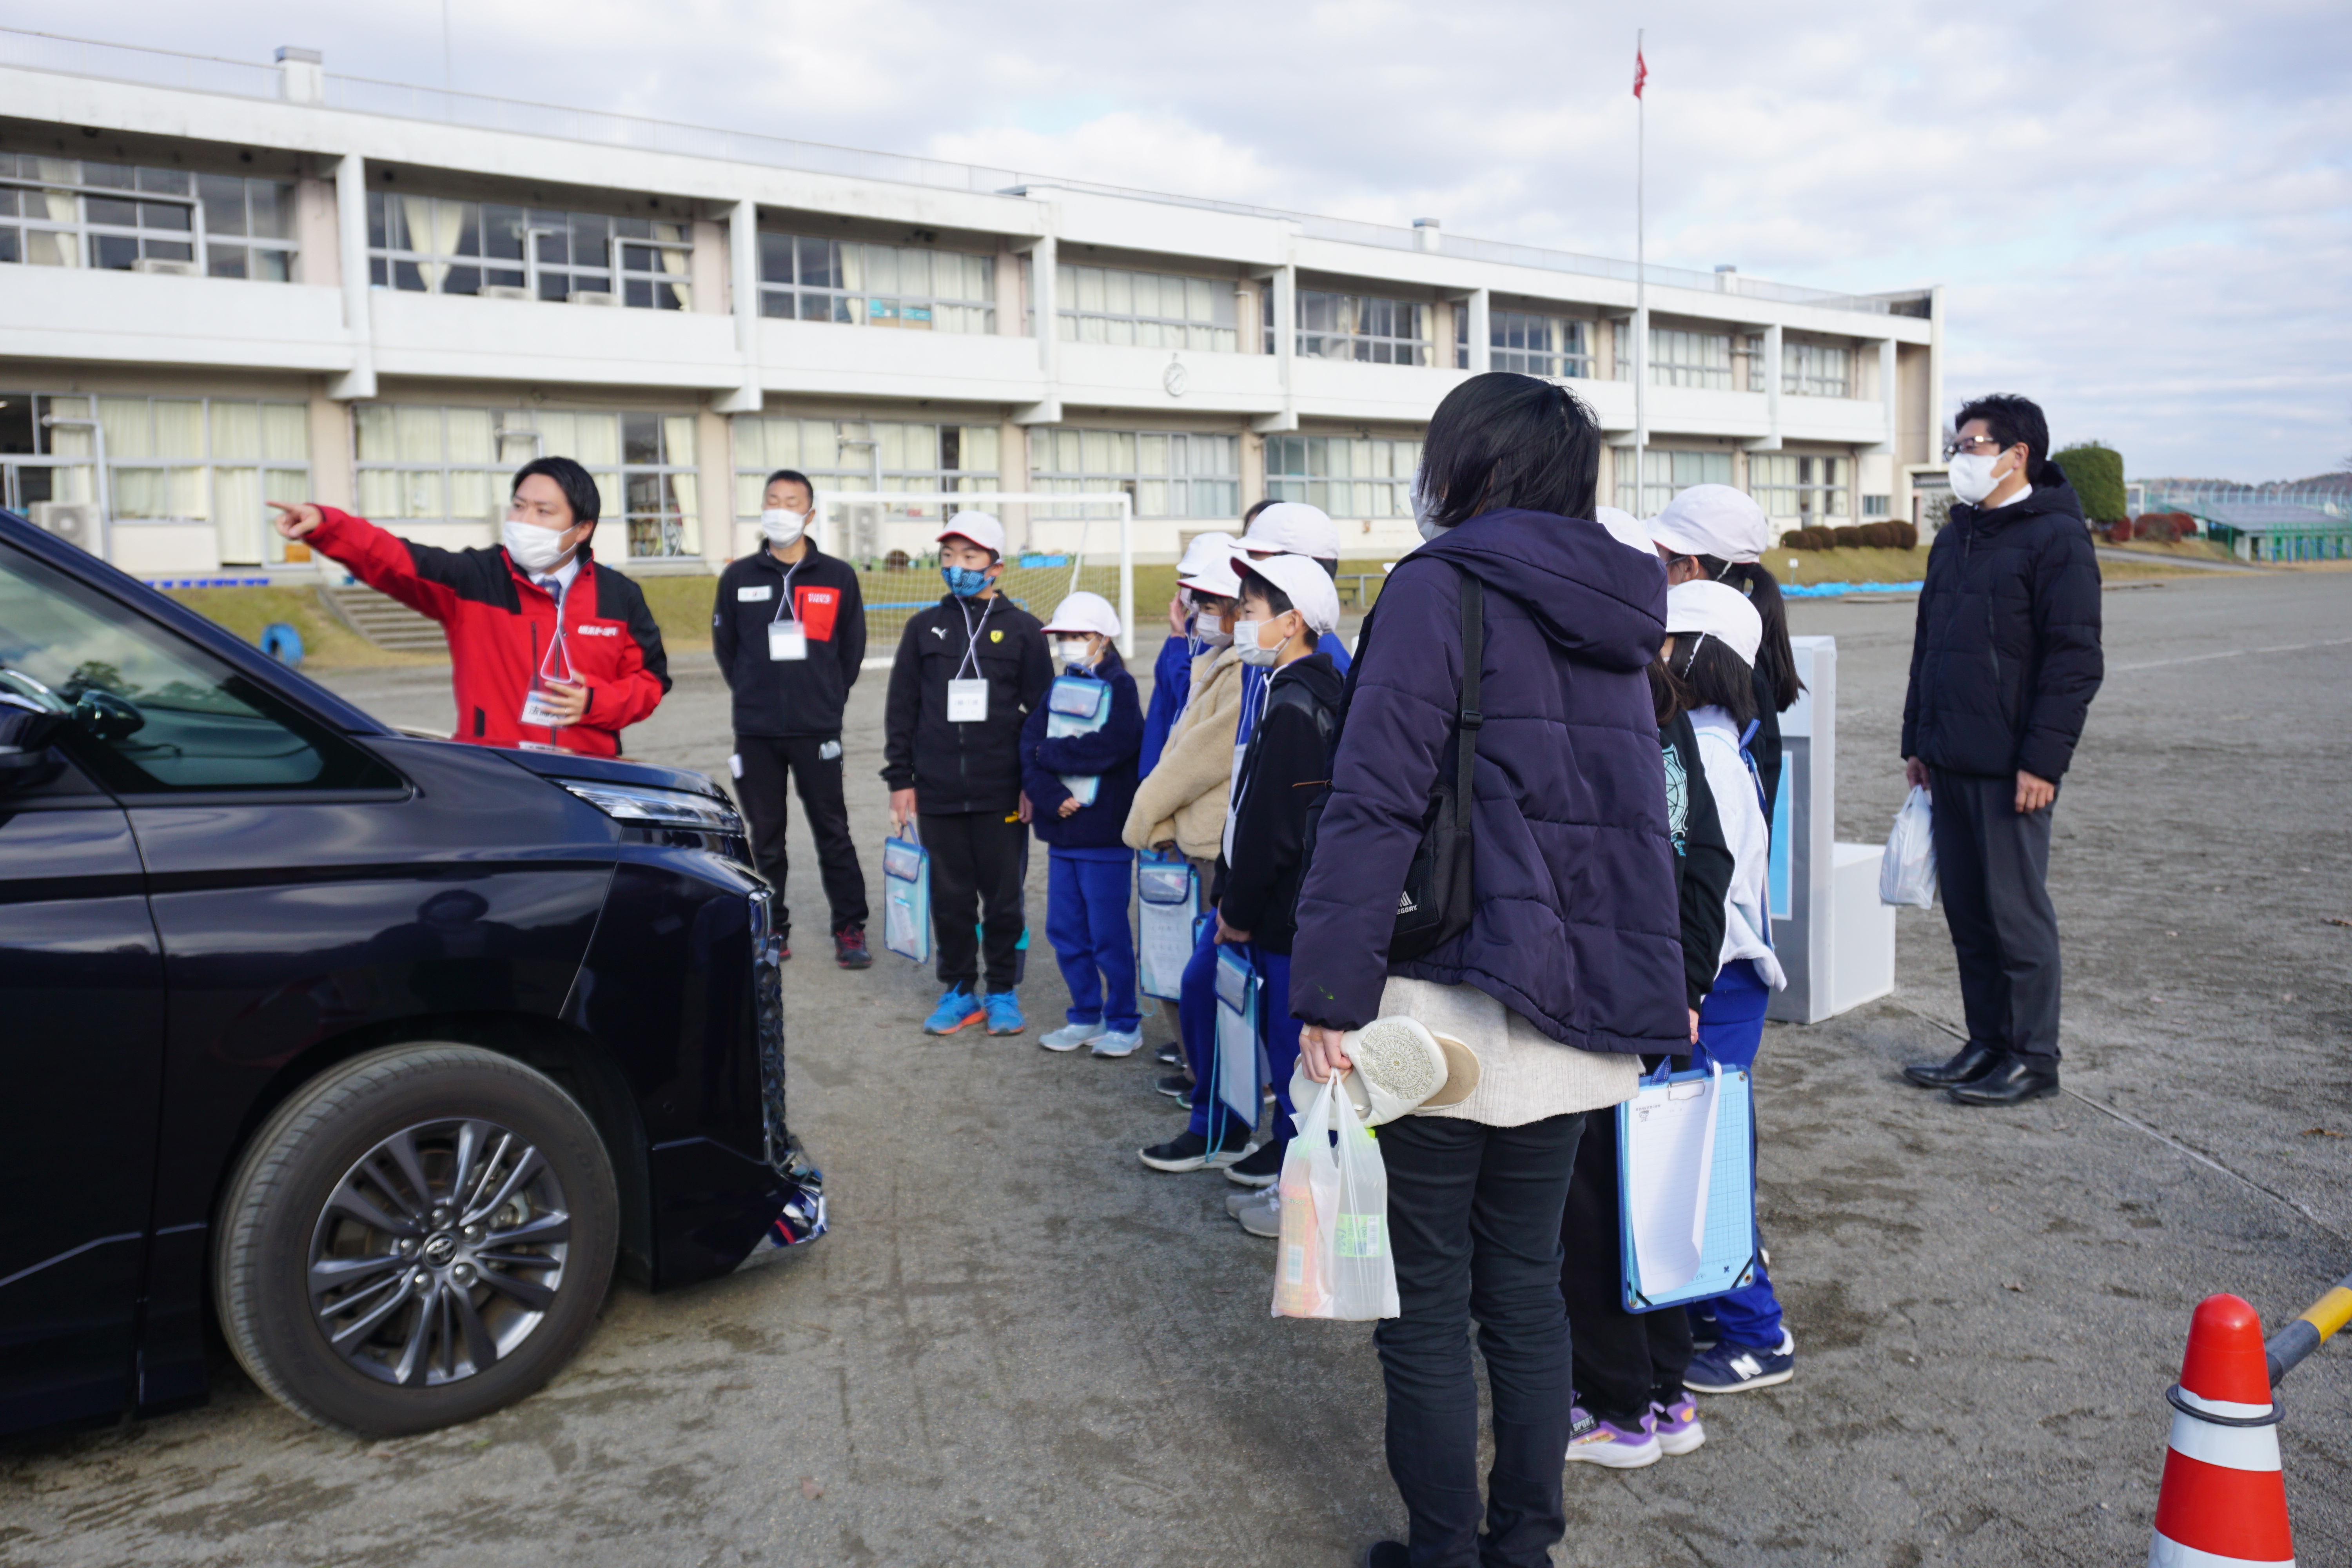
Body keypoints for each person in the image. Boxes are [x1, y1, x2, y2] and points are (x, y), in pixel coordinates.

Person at [1288, 373, 1686, 1568]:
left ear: (1468, 464)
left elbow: (1371, 800)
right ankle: (1524, 1544)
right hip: (1573, 1003)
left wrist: (1327, 992)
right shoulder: (1625, 605)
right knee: (1521, 1283)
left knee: (1421, 1286)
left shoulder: (1437, 586)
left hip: (1445, 997)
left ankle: (1445, 1547)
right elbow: (1630, 818)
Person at [1557, 508, 1736, 1468]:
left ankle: (1618, 1404)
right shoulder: (1663, 708)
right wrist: (1690, 980)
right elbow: (1700, 857)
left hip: (1605, 1001)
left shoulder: (1592, 702)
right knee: (1656, 1195)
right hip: (1660, 995)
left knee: (1593, 1207)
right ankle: (1667, 1394)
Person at [1899, 394, 2103, 1106]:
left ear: (2018, 455)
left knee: (2015, 915)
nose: (1959, 458)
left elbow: (2074, 660)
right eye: (1957, 446)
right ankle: (1986, 1041)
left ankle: (2032, 1057)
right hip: (1949, 757)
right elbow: (1931, 647)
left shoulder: (2055, 538)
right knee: (1970, 916)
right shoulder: (1956, 537)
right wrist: (1918, 742)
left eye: (1972, 446)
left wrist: (2043, 763)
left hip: (2011, 766)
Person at [1139, 552, 1344, 1217]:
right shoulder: (1286, 689)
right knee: (1233, 1011)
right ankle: (1259, 1152)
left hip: (1282, 917)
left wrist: (1240, 906)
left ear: (1291, 622)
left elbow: (1276, 829)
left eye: (1251, 612)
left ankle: (1302, 1193)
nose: (1240, 623)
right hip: (1269, 907)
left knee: (1295, 1059)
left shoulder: (1298, 703)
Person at [1649, 580, 1796, 1401]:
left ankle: (1755, 1331)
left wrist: (1684, 980)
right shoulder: (1720, 735)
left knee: (1703, 1159)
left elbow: (1700, 882)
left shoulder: (1701, 750)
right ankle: (1717, 1305)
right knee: (1701, 1148)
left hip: (1714, 982)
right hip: (1726, 978)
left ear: (1699, 655)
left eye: (1665, 643)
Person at [268, 457, 669, 757]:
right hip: (491, 775)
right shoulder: (474, 578)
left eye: (543, 511)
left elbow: (650, 682)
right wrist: (326, 526)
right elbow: (394, 559)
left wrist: (595, 703)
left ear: (582, 529)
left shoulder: (620, 596)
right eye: (519, 506)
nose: (523, 520)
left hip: (590, 779)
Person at [882, 511, 1052, 1038]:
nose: (958, 567)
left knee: (1002, 898)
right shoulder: (921, 629)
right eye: (950, 557)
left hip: (1001, 790)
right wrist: (900, 780)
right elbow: (902, 707)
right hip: (936, 792)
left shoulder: (1024, 630)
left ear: (996, 567)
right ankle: (959, 989)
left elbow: (1041, 715)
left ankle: (1002, 989)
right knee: (949, 898)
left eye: (970, 557)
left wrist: (1032, 781)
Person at [712, 468, 871, 968]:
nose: (780, 509)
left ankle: (849, 928)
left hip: (817, 728)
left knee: (833, 830)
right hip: (756, 731)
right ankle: (771, 928)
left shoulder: (837, 575)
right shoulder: (738, 577)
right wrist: (758, 696)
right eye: (772, 500)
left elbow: (851, 650)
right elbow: (727, 649)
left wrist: (822, 699)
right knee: (765, 837)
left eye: (791, 501)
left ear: (810, 513)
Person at [1124, 541, 1245, 1097]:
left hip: (1204, 842)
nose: (1198, 611)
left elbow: (1196, 758)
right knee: (1177, 967)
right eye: (1194, 599)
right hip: (1184, 836)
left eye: (1211, 601)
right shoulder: (1211, 658)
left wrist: (1145, 812)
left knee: (1207, 972)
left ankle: (1222, 1087)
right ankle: (1204, 1073)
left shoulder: (1240, 670)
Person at [1021, 591, 1147, 1058]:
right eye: (1064, 636)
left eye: (1079, 636)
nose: (1070, 644)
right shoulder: (1056, 687)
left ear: (1103, 638)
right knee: (1066, 931)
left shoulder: (1122, 686)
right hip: (1064, 835)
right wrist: (1052, 797)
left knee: (1108, 933)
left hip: (1105, 837)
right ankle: (1085, 1015)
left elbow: (1113, 745)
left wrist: (1049, 755)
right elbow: (1028, 745)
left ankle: (1124, 1021)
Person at [1646, 484, 1802, 815]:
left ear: (1689, 568)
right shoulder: (1746, 658)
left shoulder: (1712, 676)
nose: (1654, 569)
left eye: (1660, 557)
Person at [1138, 531, 1239, 778]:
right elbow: (1160, 707)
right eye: (1185, 577)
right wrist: (1147, 772)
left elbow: (1191, 697)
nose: (1189, 586)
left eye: (1197, 577)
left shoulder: (1225, 640)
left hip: (1192, 772)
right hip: (1166, 768)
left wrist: (1176, 641)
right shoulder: (1181, 634)